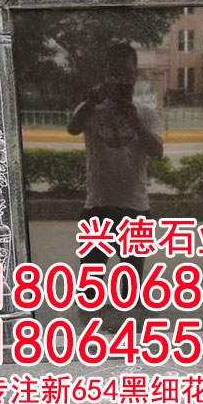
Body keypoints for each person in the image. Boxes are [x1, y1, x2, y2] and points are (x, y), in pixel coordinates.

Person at [68, 42, 163, 279]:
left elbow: (157, 152)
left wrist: (136, 122)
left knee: (131, 287)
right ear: (106, 75)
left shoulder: (146, 113)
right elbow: (73, 128)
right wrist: (92, 101)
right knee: (91, 287)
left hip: (135, 210)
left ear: (136, 74)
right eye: (115, 74)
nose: (122, 80)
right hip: (97, 207)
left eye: (128, 73)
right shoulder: (90, 109)